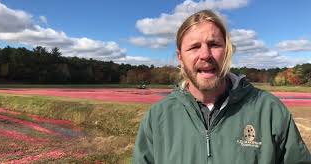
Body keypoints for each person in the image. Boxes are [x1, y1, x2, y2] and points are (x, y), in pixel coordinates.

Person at [132, 10, 311, 164]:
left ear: (227, 51)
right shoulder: (157, 118)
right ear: (180, 57)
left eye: (214, 44)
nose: (205, 55)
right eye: (194, 47)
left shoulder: (270, 111)